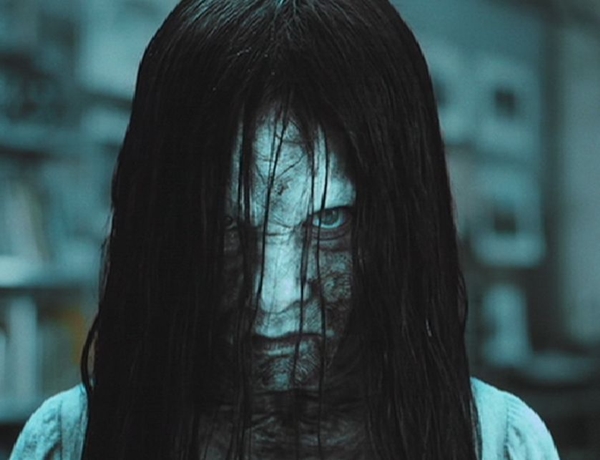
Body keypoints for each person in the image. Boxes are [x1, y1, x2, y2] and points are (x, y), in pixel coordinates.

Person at [10, 0, 561, 459]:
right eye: (224, 225)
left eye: (329, 220)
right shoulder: (68, 442)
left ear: (399, 224)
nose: (271, 298)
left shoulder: (498, 443)